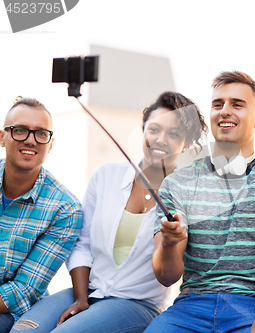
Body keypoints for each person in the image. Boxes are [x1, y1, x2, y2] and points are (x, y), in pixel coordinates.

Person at [10, 92, 208, 333]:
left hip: (136, 304)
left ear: (186, 142)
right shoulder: (106, 175)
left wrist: (169, 243)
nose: (161, 139)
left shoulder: (187, 197)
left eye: (174, 133)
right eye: (154, 129)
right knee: (23, 330)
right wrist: (81, 298)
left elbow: (168, 277)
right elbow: (82, 245)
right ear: (143, 130)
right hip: (88, 291)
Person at [145, 71, 255, 333]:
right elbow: (167, 276)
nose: (225, 111)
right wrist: (169, 243)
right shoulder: (177, 183)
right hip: (190, 305)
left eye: (237, 104)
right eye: (217, 104)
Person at [0, 97, 82, 333]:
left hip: (8, 311)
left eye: (40, 134)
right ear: (2, 137)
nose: (30, 140)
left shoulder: (65, 208)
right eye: (20, 130)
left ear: (50, 144)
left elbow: (23, 291)